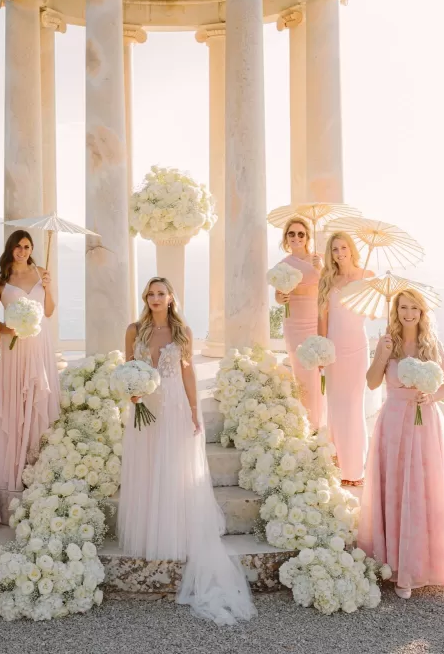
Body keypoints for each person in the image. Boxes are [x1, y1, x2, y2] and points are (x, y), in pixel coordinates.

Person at [118, 277, 255, 625]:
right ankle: (148, 530)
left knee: (173, 468)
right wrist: (130, 392)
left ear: (171, 297)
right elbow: (126, 368)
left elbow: (188, 372)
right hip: (144, 407)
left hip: (175, 406)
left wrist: (195, 412)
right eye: (150, 294)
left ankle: (173, 533)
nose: (155, 298)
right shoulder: (134, 330)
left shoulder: (183, 332)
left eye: (160, 293)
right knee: (147, 467)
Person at [358, 289, 444, 598]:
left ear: (422, 313)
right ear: (395, 311)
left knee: (421, 490)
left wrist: (430, 395)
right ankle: (392, 563)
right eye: (403, 307)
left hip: (425, 422)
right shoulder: (388, 343)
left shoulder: (431, 345)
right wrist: (381, 354)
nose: (408, 313)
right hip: (393, 421)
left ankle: (414, 567)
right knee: (394, 489)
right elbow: (371, 382)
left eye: (414, 308)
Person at [0, 230, 60, 496]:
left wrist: (48, 287)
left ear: (32, 249)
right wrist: (10, 329)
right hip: (13, 348)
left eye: (27, 246)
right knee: (15, 402)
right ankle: (14, 466)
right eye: (18, 246)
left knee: (38, 396)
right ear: (10, 248)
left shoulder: (41, 272)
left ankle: (37, 465)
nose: (22, 251)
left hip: (39, 345)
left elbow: (49, 311)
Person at [317, 232, 374, 486]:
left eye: (343, 248)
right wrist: (321, 349)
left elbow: (376, 311)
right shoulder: (327, 279)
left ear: (351, 249)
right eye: (335, 250)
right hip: (333, 348)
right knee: (336, 407)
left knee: (353, 406)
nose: (340, 253)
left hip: (357, 348)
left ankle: (355, 470)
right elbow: (322, 318)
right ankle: (337, 465)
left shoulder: (368, 277)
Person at [273, 216, 323, 429]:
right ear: (286, 238)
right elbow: (277, 295)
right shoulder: (282, 265)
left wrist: (321, 269)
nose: (296, 237)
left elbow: (329, 287)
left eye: (300, 234)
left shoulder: (318, 260)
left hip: (315, 321)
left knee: (316, 372)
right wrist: (281, 298)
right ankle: (304, 422)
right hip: (293, 323)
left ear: (307, 237)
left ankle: (318, 422)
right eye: (291, 233)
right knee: (300, 373)